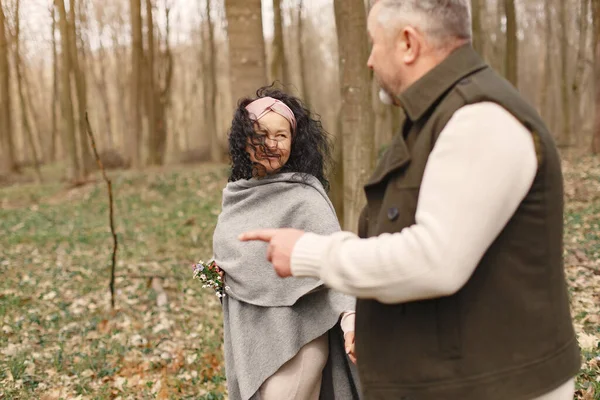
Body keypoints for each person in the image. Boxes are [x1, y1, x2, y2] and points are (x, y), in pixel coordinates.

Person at [239, 1, 581, 399]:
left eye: (373, 44)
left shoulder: (479, 118)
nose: (368, 61)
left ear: (407, 43)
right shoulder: (438, 118)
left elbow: (436, 260)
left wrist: (310, 253)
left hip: (496, 383)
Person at [213, 86, 361, 400]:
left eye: (281, 136)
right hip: (252, 339)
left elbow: (334, 260)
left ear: (294, 142)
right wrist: (223, 275)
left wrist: (350, 318)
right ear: (243, 140)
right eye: (261, 134)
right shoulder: (237, 196)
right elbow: (243, 260)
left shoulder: (305, 198)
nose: (271, 144)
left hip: (300, 336)